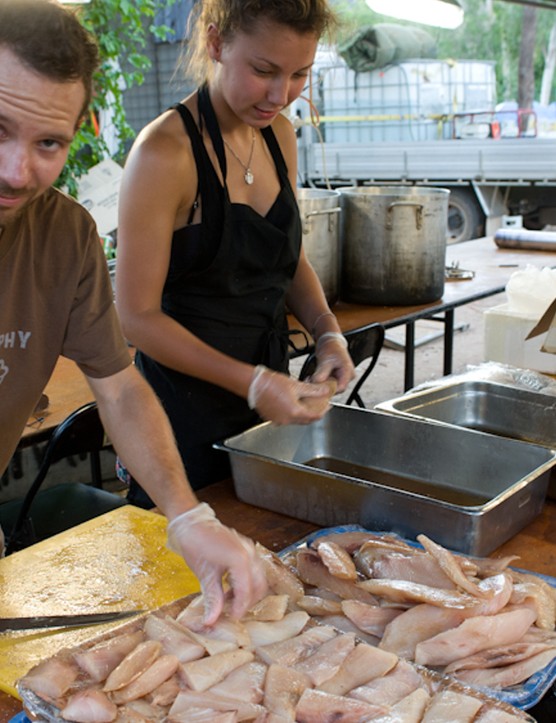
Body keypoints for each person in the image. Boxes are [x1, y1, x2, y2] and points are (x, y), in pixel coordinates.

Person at [0, 0, 267, 625]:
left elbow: (119, 388)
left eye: (48, 143)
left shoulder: (63, 235)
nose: (18, 172)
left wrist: (187, 514)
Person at [115, 0, 355, 502]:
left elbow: (287, 259)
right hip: (178, 420)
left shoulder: (279, 137)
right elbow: (136, 317)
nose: (279, 95)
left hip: (266, 408)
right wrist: (251, 383)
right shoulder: (164, 153)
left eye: (298, 74)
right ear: (216, 42)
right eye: (263, 70)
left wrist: (328, 332)